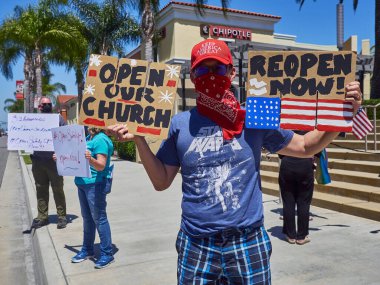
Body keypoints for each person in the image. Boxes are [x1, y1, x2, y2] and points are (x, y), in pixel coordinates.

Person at [108, 39, 362, 284]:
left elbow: (306, 146)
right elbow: (161, 181)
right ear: (193, 76)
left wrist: (343, 113)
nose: (210, 75)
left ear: (231, 72)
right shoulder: (180, 124)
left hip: (247, 242)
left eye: (217, 68)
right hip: (196, 244)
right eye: (201, 69)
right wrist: (139, 139)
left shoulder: (255, 116)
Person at [71, 127, 115, 269]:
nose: (88, 125)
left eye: (91, 122)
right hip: (83, 183)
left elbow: (101, 165)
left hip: (95, 184)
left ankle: (107, 253)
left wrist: (90, 159)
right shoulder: (88, 138)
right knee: (88, 218)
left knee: (99, 218)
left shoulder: (101, 139)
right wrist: (60, 158)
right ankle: (87, 249)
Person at [31, 97, 67, 229]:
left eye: (49, 104)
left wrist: (60, 153)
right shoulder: (33, 120)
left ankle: (62, 217)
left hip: (54, 161)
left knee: (58, 189)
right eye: (44, 104)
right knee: (41, 189)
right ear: (39, 106)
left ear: (52, 106)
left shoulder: (59, 119)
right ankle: (42, 217)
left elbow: (66, 137)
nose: (46, 106)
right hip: (38, 160)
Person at [278, 131, 315, 245]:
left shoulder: (286, 131)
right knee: (304, 202)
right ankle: (302, 236)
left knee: (288, 202)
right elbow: (318, 151)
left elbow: (279, 151)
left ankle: (290, 235)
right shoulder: (310, 132)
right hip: (305, 164)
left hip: (287, 164)